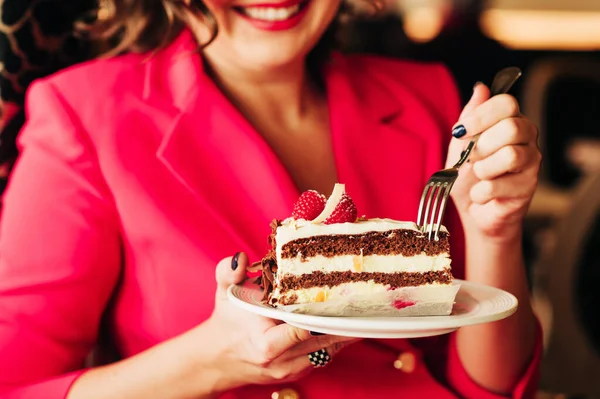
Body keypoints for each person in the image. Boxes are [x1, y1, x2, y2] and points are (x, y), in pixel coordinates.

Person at [0, 1, 542, 398]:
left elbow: (486, 388)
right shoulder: (83, 116)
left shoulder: (429, 98)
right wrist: (213, 362)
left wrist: (495, 229)